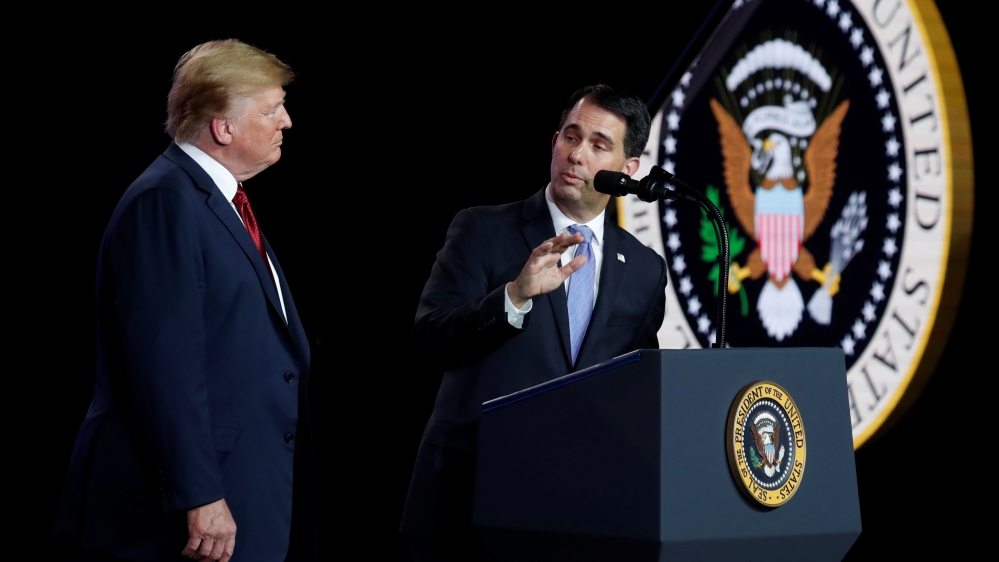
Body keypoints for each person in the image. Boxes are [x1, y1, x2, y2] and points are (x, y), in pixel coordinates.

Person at [54, 40, 315, 562]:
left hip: (240, 482)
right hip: (184, 511)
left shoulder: (217, 200)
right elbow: (162, 364)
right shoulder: (165, 201)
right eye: (271, 109)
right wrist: (199, 492)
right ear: (224, 128)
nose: (285, 121)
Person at [400, 85, 669, 561]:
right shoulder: (482, 229)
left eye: (599, 145)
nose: (576, 154)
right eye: (570, 136)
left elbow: (634, 388)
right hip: (469, 499)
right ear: (554, 141)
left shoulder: (645, 269)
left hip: (576, 513)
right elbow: (429, 340)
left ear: (628, 171)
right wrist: (514, 296)